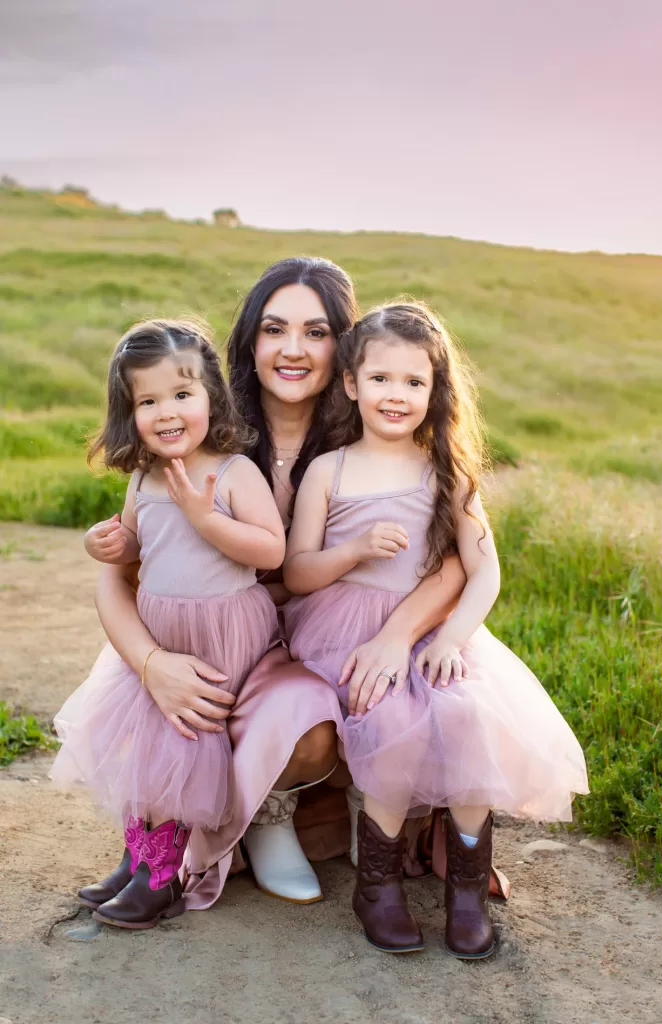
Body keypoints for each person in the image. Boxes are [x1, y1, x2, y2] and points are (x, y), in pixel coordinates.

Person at [82, 258, 468, 910]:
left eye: (316, 332)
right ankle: (198, 843)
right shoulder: (205, 436)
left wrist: (399, 635)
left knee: (331, 718)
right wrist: (150, 665)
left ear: (343, 350)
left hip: (331, 635)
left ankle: (289, 824)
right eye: (273, 329)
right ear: (247, 342)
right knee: (184, 721)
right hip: (208, 634)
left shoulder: (370, 436)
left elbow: (454, 556)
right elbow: (117, 578)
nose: (293, 350)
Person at [283, 302, 589, 959]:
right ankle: (379, 885)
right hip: (347, 629)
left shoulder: (446, 472)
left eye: (414, 382)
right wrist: (355, 548)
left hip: (436, 632)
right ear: (349, 384)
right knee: (388, 721)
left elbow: (483, 573)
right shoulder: (328, 471)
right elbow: (299, 572)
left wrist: (453, 638)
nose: (397, 395)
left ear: (435, 389)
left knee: (467, 715)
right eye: (381, 379)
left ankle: (467, 891)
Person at [52, 318, 285, 929]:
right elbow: (137, 547)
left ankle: (165, 874)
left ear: (211, 395)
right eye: (148, 401)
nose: (168, 412)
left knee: (178, 739)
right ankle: (137, 857)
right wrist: (106, 544)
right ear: (130, 413)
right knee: (143, 747)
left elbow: (271, 551)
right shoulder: (143, 476)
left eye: (182, 395)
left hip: (219, 631)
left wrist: (207, 519)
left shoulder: (232, 472)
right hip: (159, 633)